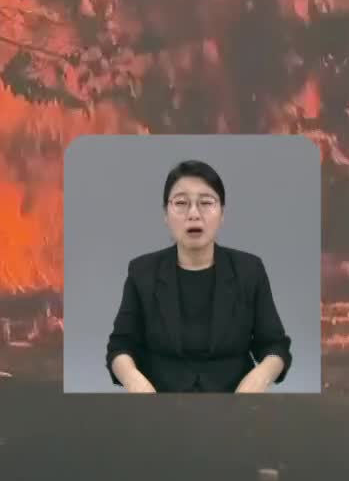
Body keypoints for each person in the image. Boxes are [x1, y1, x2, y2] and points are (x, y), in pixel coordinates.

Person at [104, 159, 292, 393]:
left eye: (206, 203)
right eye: (181, 203)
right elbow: (120, 345)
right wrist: (133, 379)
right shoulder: (142, 272)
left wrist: (261, 376)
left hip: (235, 403)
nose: (194, 214)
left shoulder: (249, 270)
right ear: (165, 214)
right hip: (159, 403)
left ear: (222, 213)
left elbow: (275, 345)